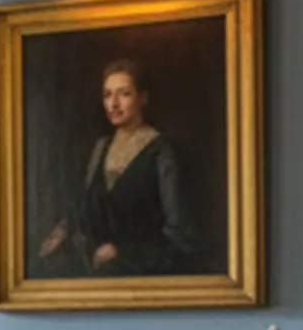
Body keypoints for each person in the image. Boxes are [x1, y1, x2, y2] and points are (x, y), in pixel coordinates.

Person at [33, 59, 198, 277]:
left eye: (124, 94)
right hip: (97, 273)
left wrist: (122, 252)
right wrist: (64, 229)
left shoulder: (162, 152)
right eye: (107, 95)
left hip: (142, 276)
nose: (114, 103)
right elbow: (87, 206)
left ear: (143, 98)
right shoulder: (101, 148)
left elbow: (180, 236)